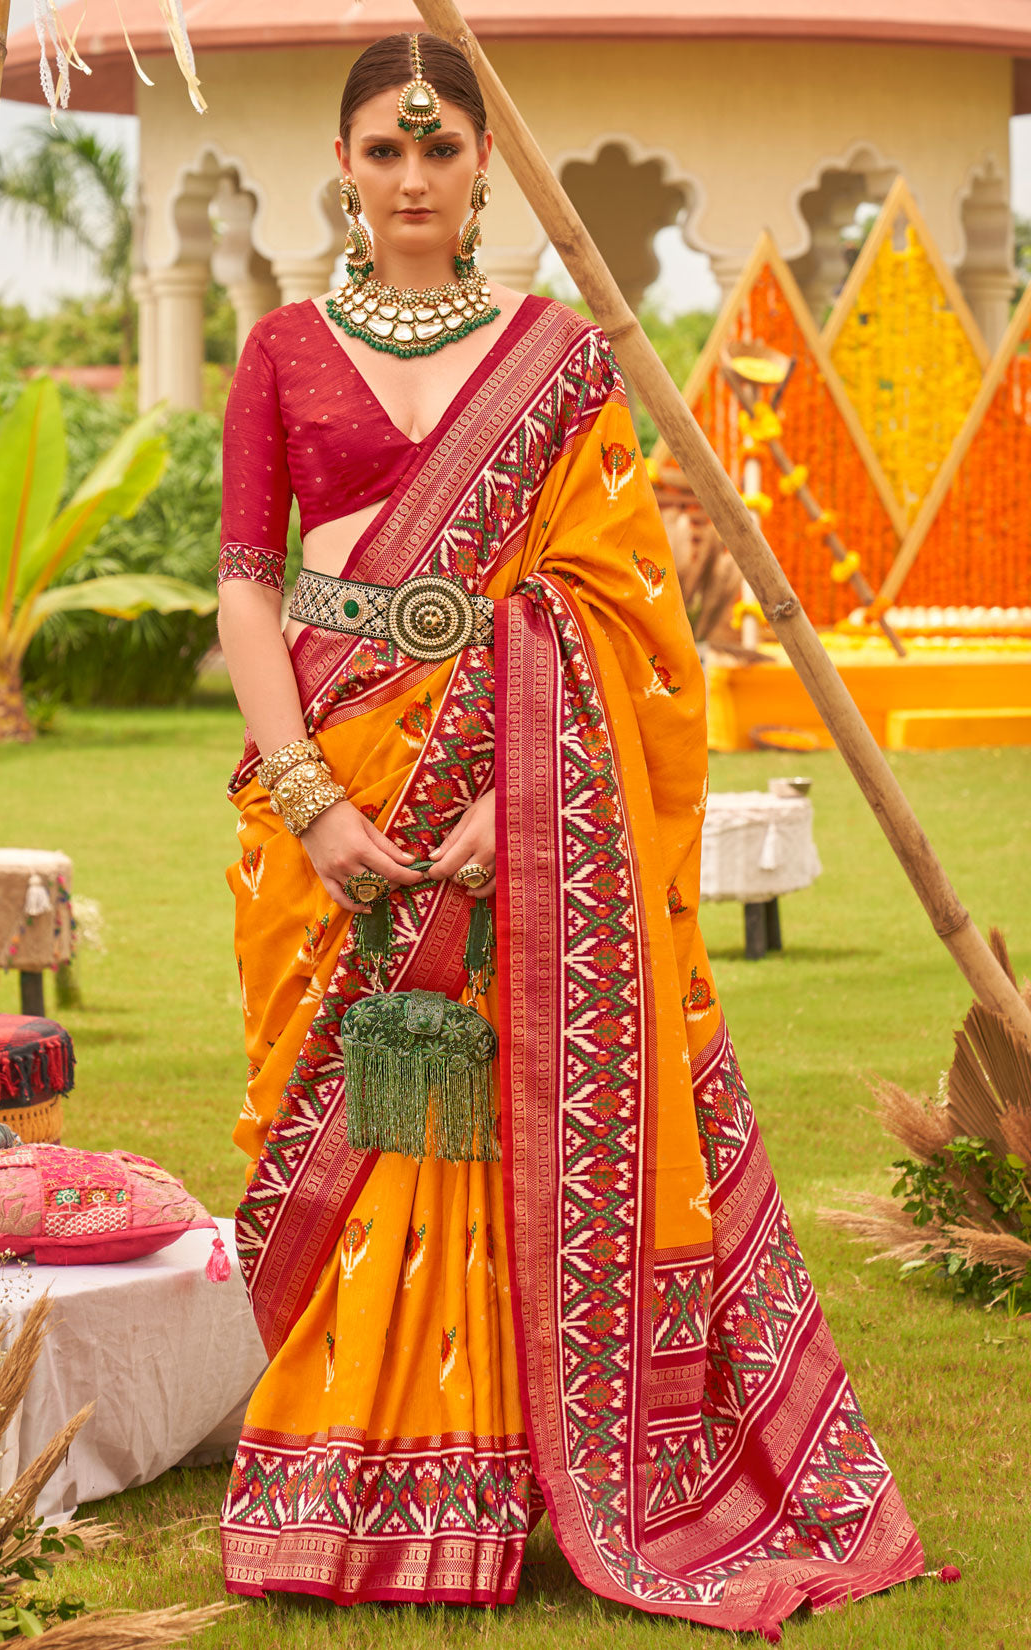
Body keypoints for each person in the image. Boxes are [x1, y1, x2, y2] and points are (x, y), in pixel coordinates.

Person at [215, 32, 922, 1636]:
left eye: (439, 152)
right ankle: (332, 1476)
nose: (409, 180)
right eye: (382, 154)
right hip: (324, 791)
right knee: (353, 1129)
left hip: (507, 807)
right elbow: (247, 579)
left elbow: (621, 614)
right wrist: (310, 794)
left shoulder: (556, 352)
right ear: (343, 164)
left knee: (494, 1121)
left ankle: (506, 1480)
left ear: (481, 167)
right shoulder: (276, 348)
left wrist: (512, 802)